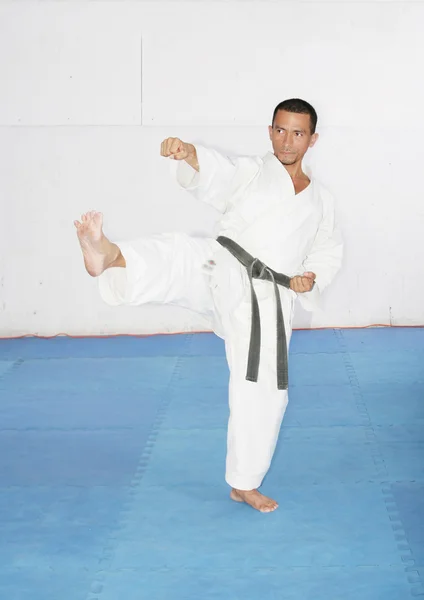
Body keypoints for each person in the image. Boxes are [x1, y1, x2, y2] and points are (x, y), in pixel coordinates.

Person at [74, 98, 343, 513]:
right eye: (280, 130)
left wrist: (312, 277)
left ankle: (244, 482)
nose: (287, 141)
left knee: (265, 392)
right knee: (181, 256)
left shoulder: (321, 201)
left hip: (267, 300)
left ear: (313, 139)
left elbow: (327, 249)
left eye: (298, 133)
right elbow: (221, 171)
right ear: (270, 131)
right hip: (226, 265)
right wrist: (191, 154)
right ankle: (109, 255)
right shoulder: (254, 172)